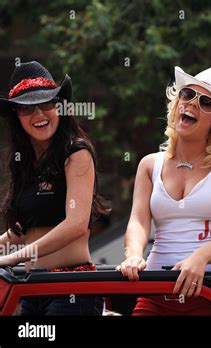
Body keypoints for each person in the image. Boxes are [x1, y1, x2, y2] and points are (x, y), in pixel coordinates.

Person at [116, 66, 211, 315]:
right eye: (187, 94)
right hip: (155, 289)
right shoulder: (149, 164)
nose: (192, 104)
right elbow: (138, 221)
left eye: (206, 102)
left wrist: (200, 257)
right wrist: (133, 255)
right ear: (177, 103)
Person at [0, 61, 108, 315]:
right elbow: (22, 231)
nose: (39, 115)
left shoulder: (76, 152)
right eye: (28, 108)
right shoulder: (24, 162)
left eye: (47, 104)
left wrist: (12, 258)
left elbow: (76, 224)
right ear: (16, 115)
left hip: (71, 288)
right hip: (31, 289)